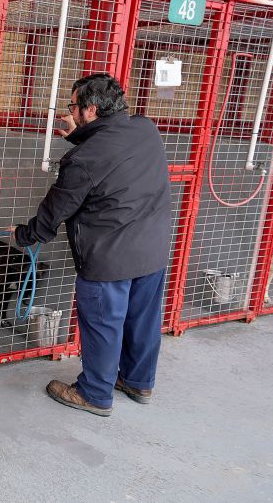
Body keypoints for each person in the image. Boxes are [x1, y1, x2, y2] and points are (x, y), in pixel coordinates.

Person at [12, 73, 171, 417]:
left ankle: (95, 393)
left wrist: (23, 234)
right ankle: (138, 381)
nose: (70, 112)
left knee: (102, 325)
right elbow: (109, 154)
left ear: (91, 109)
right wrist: (80, 137)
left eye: (73, 106)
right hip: (153, 251)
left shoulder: (83, 159)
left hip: (108, 259)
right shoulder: (145, 129)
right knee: (143, 320)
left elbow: (54, 213)